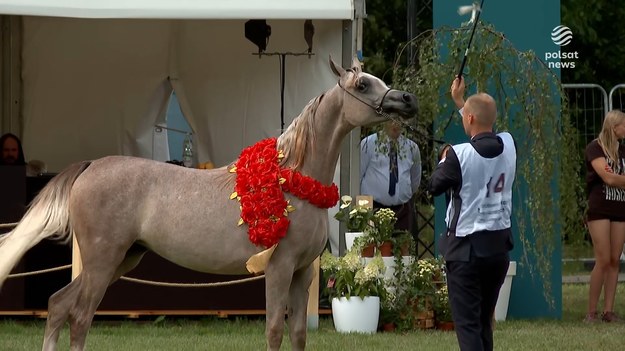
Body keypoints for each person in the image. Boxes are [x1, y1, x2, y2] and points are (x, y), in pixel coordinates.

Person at [429, 76, 515, 351]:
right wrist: (461, 104)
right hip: (497, 249)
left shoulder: (457, 154)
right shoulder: (509, 144)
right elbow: (485, 130)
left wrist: (443, 157)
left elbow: (433, 185)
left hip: (466, 251)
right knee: (482, 322)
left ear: (468, 119)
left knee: (467, 328)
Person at [584, 109, 625, 323]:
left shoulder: (623, 151)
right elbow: (607, 178)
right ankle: (591, 311)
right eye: (624, 125)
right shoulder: (595, 148)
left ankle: (608, 311)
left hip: (620, 208)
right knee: (602, 259)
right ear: (614, 126)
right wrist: (617, 178)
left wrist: (617, 178)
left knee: (614, 260)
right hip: (600, 208)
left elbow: (614, 177)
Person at [360, 120, 421, 235]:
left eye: (399, 120)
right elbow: (358, 177)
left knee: (403, 249)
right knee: (372, 249)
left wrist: (404, 195)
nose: (395, 123)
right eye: (391, 119)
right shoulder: (368, 144)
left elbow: (415, 180)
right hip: (373, 208)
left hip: (402, 211)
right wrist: (363, 211)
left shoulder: (412, 148)